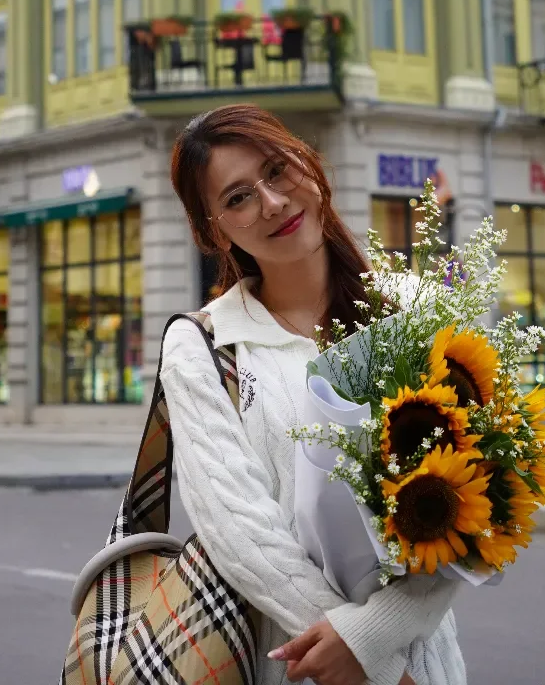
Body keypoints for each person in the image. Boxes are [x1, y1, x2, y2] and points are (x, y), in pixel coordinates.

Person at [164, 104, 465, 685]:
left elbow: (475, 504)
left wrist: (379, 636)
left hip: (428, 664)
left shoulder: (414, 311)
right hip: (296, 666)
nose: (271, 202)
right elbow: (240, 532)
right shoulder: (203, 347)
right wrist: (362, 656)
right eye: (236, 198)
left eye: (277, 170)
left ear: (308, 162)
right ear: (212, 231)